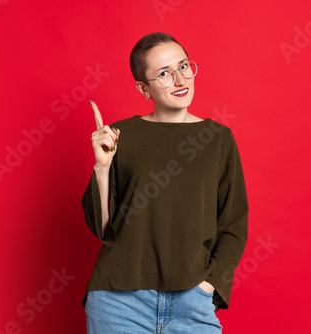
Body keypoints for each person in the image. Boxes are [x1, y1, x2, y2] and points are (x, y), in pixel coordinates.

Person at [81, 32, 248, 334]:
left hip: (192, 301)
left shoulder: (218, 139)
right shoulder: (120, 135)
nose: (181, 80)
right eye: (163, 74)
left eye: (183, 66)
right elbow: (103, 230)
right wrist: (102, 168)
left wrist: (209, 286)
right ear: (143, 88)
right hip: (119, 302)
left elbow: (233, 225)